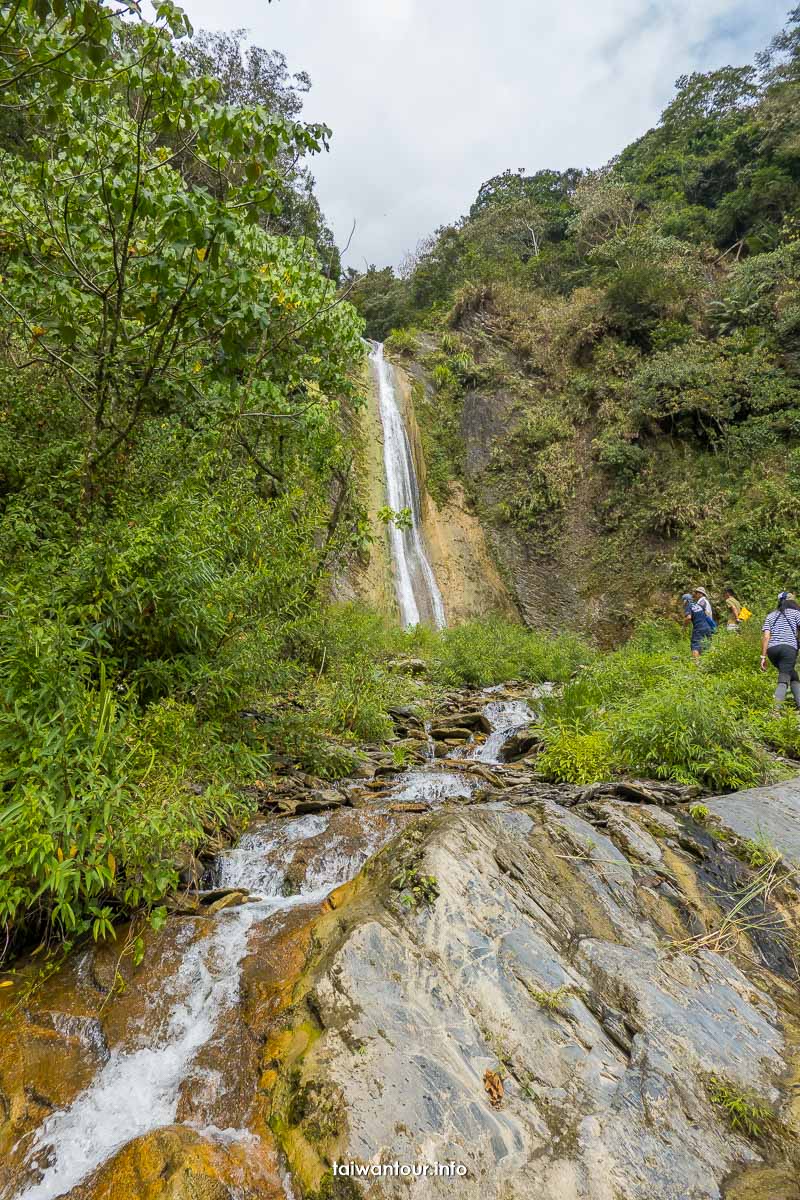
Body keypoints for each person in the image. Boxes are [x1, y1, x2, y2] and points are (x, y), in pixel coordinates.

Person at [760, 592, 800, 712]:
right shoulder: (796, 613)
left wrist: (763, 656)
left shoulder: (771, 615)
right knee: (783, 679)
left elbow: (766, 637)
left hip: (772, 651)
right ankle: (775, 710)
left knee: (793, 676)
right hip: (788, 649)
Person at [682, 591, 715, 661]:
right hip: (707, 628)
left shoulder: (688, 606)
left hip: (698, 629)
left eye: (683, 601)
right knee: (707, 645)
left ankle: (697, 666)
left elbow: (688, 617)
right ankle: (711, 662)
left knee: (695, 646)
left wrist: (684, 627)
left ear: (685, 601)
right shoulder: (699, 605)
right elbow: (707, 614)